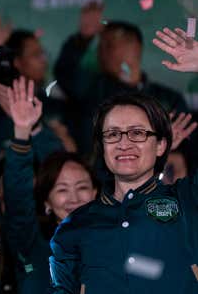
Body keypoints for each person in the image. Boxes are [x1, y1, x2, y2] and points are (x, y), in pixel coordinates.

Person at [49, 92, 198, 293]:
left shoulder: (188, 199)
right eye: (112, 134)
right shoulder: (74, 226)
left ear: (161, 145)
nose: (124, 144)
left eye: (137, 133)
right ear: (102, 147)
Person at [54, 1, 189, 156]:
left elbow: (186, 154)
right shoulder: (91, 89)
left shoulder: (168, 100)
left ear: (134, 48)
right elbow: (64, 72)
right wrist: (82, 38)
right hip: (100, 178)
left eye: (109, 45)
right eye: (100, 46)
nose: (100, 52)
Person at [3, 77, 98, 294]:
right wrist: (22, 131)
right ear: (46, 202)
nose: (74, 198)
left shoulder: (115, 240)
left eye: (82, 187)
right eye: (62, 190)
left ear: (95, 193)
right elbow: (18, 195)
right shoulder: (31, 244)